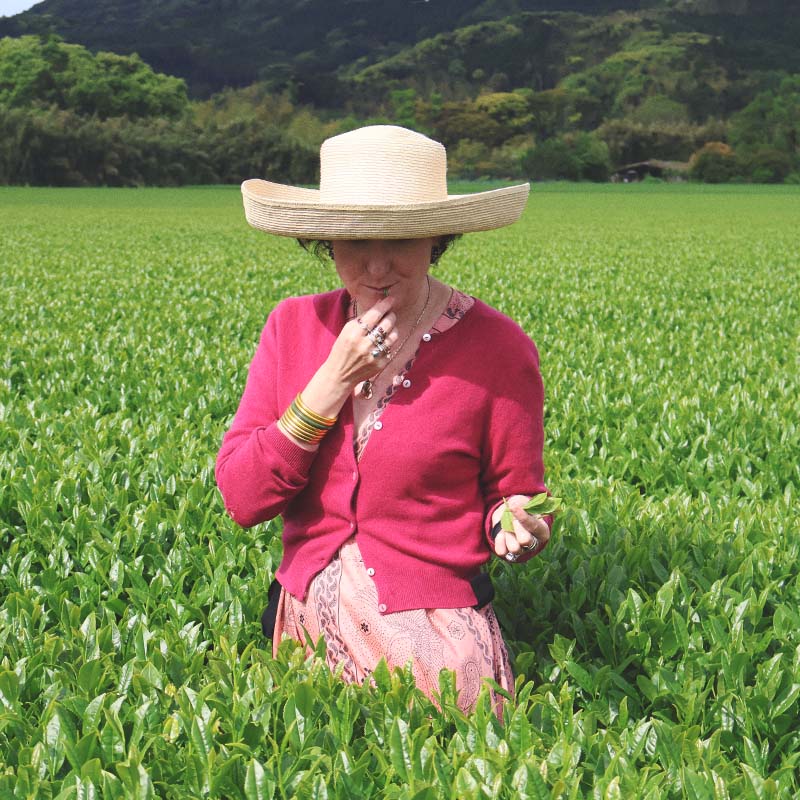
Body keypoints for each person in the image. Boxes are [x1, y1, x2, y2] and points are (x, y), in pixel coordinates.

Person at [215, 125, 553, 712]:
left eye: (399, 239)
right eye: (354, 242)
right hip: (308, 608)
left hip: (436, 617)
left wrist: (518, 525)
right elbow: (243, 497)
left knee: (451, 711)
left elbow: (515, 493)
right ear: (326, 244)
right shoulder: (292, 327)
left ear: (436, 237)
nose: (376, 266)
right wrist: (332, 380)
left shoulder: (498, 348)